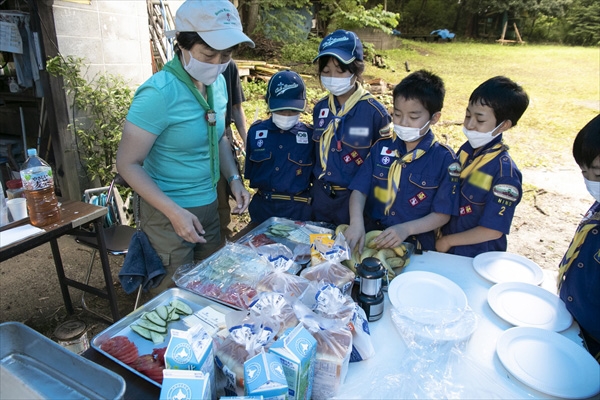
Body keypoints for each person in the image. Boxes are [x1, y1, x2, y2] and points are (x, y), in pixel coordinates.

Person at [116, 0, 253, 293]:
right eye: (208, 54)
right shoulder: (158, 94)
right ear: (182, 45)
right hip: (167, 213)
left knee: (211, 285)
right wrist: (174, 212)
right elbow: (127, 163)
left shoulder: (216, 84)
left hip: (209, 205)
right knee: (174, 295)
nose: (217, 63)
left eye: (225, 55)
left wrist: (233, 180)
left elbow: (217, 138)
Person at [344, 70, 460, 252]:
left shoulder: (444, 160)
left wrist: (407, 229)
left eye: (414, 117)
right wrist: (356, 222)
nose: (403, 122)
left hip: (415, 244)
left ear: (434, 118)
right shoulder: (381, 148)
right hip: (372, 236)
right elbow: (359, 189)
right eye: (397, 114)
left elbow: (442, 214)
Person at [436, 76, 529, 257]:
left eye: (479, 120)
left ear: (504, 125)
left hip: (476, 256)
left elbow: (492, 230)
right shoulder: (466, 151)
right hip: (447, 247)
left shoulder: (505, 175)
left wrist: (448, 241)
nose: (469, 124)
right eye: (468, 115)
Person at [311, 29, 393, 226]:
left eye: (340, 71)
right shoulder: (321, 109)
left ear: (357, 70)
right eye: (326, 71)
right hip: (321, 199)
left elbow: (384, 164)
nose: (333, 77)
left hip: (357, 203)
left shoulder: (375, 113)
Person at [244, 70, 314, 224]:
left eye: (293, 111)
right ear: (269, 104)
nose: (287, 115)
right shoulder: (256, 132)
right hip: (263, 210)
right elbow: (250, 172)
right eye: (281, 110)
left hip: (298, 210)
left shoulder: (310, 136)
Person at [557, 114, 600, 361]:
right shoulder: (597, 207)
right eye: (585, 172)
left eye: (598, 174)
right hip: (573, 325)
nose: (590, 183)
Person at [217, 60, 248, 242]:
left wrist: (247, 140)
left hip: (222, 133)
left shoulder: (228, 66)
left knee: (222, 195)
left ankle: (223, 240)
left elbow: (236, 107)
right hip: (196, 140)